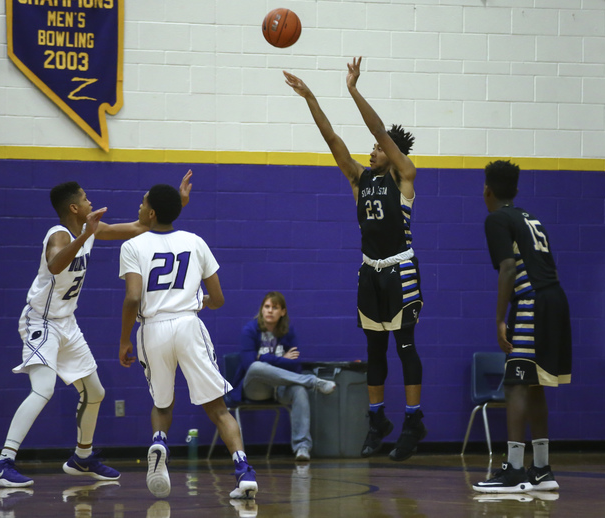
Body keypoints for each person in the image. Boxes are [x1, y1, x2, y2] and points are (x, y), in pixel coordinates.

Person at [0, 171, 192, 488]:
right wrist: (84, 236)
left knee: (95, 392)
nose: (89, 199)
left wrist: (178, 204)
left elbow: (140, 227)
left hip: (67, 322)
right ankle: (2, 463)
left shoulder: (89, 231)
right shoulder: (59, 234)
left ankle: (82, 457)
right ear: (74, 208)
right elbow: (54, 264)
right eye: (83, 197)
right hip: (41, 320)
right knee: (43, 389)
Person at [284, 57, 426, 461]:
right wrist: (311, 98)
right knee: (376, 351)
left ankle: (413, 419)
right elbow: (333, 141)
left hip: (401, 270)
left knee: (405, 348)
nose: (373, 148)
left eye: (380, 147)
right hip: (370, 272)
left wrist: (352, 90)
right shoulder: (359, 179)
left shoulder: (404, 176)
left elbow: (378, 128)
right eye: (374, 147)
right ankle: (378, 418)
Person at [118, 183, 257, 500]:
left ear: (151, 213)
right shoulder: (196, 242)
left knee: (162, 404)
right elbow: (219, 299)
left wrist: (124, 338)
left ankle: (159, 441)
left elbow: (133, 298)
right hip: (188, 325)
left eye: (142, 204)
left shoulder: (133, 246)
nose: (139, 208)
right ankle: (244, 471)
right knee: (218, 409)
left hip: (152, 328)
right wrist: (197, 301)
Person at [473, 160, 571, 493]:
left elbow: (508, 269)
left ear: (487, 191)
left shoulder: (496, 218)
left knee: (515, 384)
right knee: (535, 384)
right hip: (556, 299)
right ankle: (542, 469)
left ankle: (514, 471)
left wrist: (500, 318)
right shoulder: (530, 218)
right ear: (515, 190)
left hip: (533, 302)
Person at [228, 291, 337, 462]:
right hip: (255, 388)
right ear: (262, 309)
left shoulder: (288, 332)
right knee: (257, 366)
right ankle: (312, 381)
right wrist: (280, 359)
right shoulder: (249, 330)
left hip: (279, 388)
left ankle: (302, 447)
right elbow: (250, 364)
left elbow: (294, 364)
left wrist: (264, 357)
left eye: (275, 307)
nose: (270, 311)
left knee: (299, 390)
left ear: (283, 312)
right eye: (267, 307)